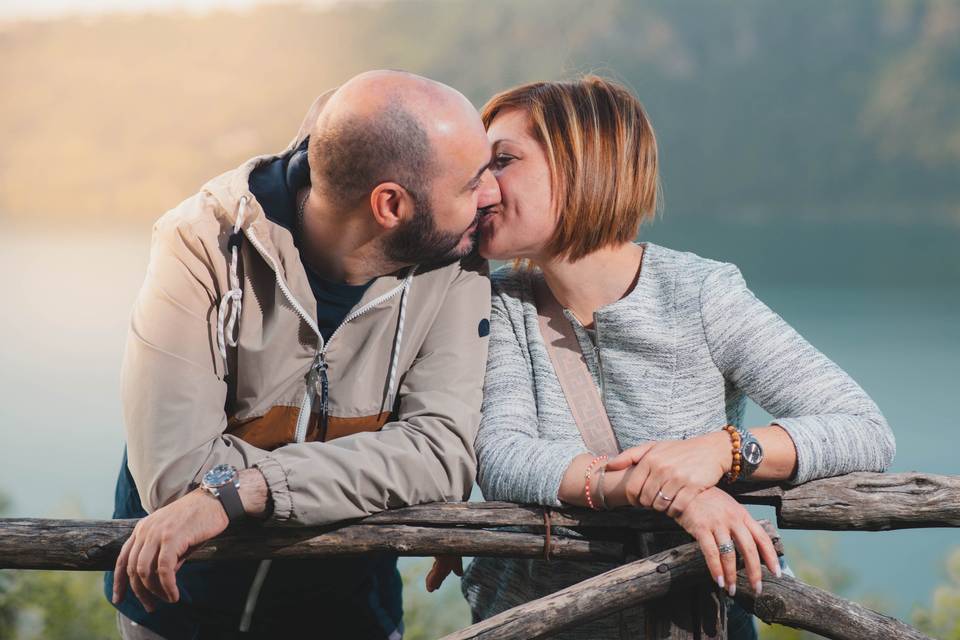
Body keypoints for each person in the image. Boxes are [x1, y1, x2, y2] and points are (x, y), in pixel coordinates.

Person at [427, 75, 896, 638]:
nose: (481, 187)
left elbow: (863, 429)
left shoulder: (700, 294)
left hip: (690, 624)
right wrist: (676, 493)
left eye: (502, 160)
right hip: (533, 626)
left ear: (583, 165)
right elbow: (504, 458)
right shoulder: (497, 302)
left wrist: (722, 451)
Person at [104, 69, 501, 639]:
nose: (490, 197)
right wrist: (379, 463)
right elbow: (177, 478)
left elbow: (440, 456)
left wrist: (247, 489)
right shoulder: (201, 243)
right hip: (177, 610)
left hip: (350, 617)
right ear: (389, 205)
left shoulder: (456, 268)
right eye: (471, 182)